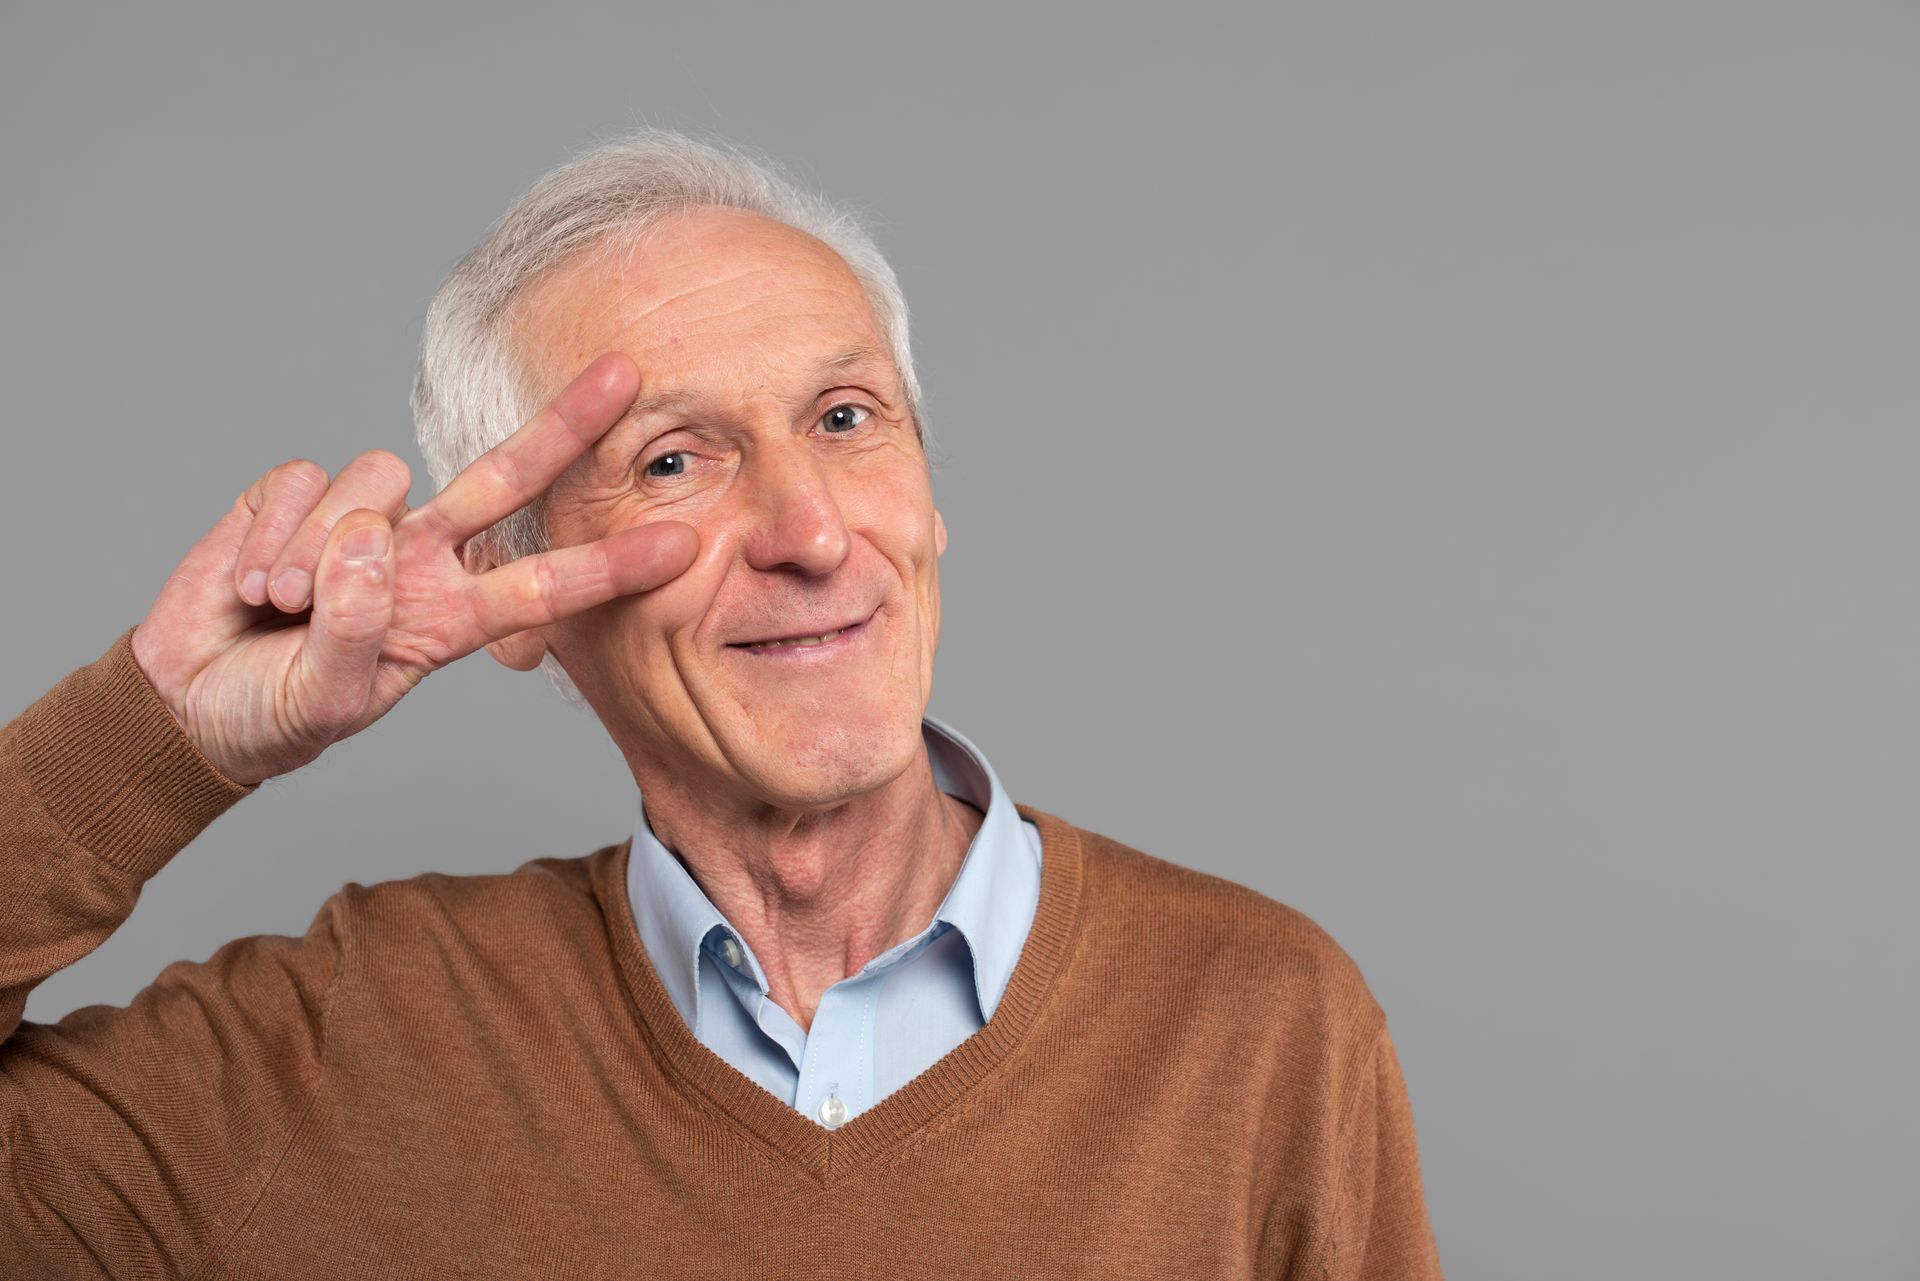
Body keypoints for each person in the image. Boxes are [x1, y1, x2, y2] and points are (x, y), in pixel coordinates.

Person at [0, 128, 1444, 1277]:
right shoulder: (332, 1046)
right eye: (678, 460)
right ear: (519, 584)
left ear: (932, 496)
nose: (811, 531)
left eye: (844, 419)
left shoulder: (1259, 1021)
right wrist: (156, 741)